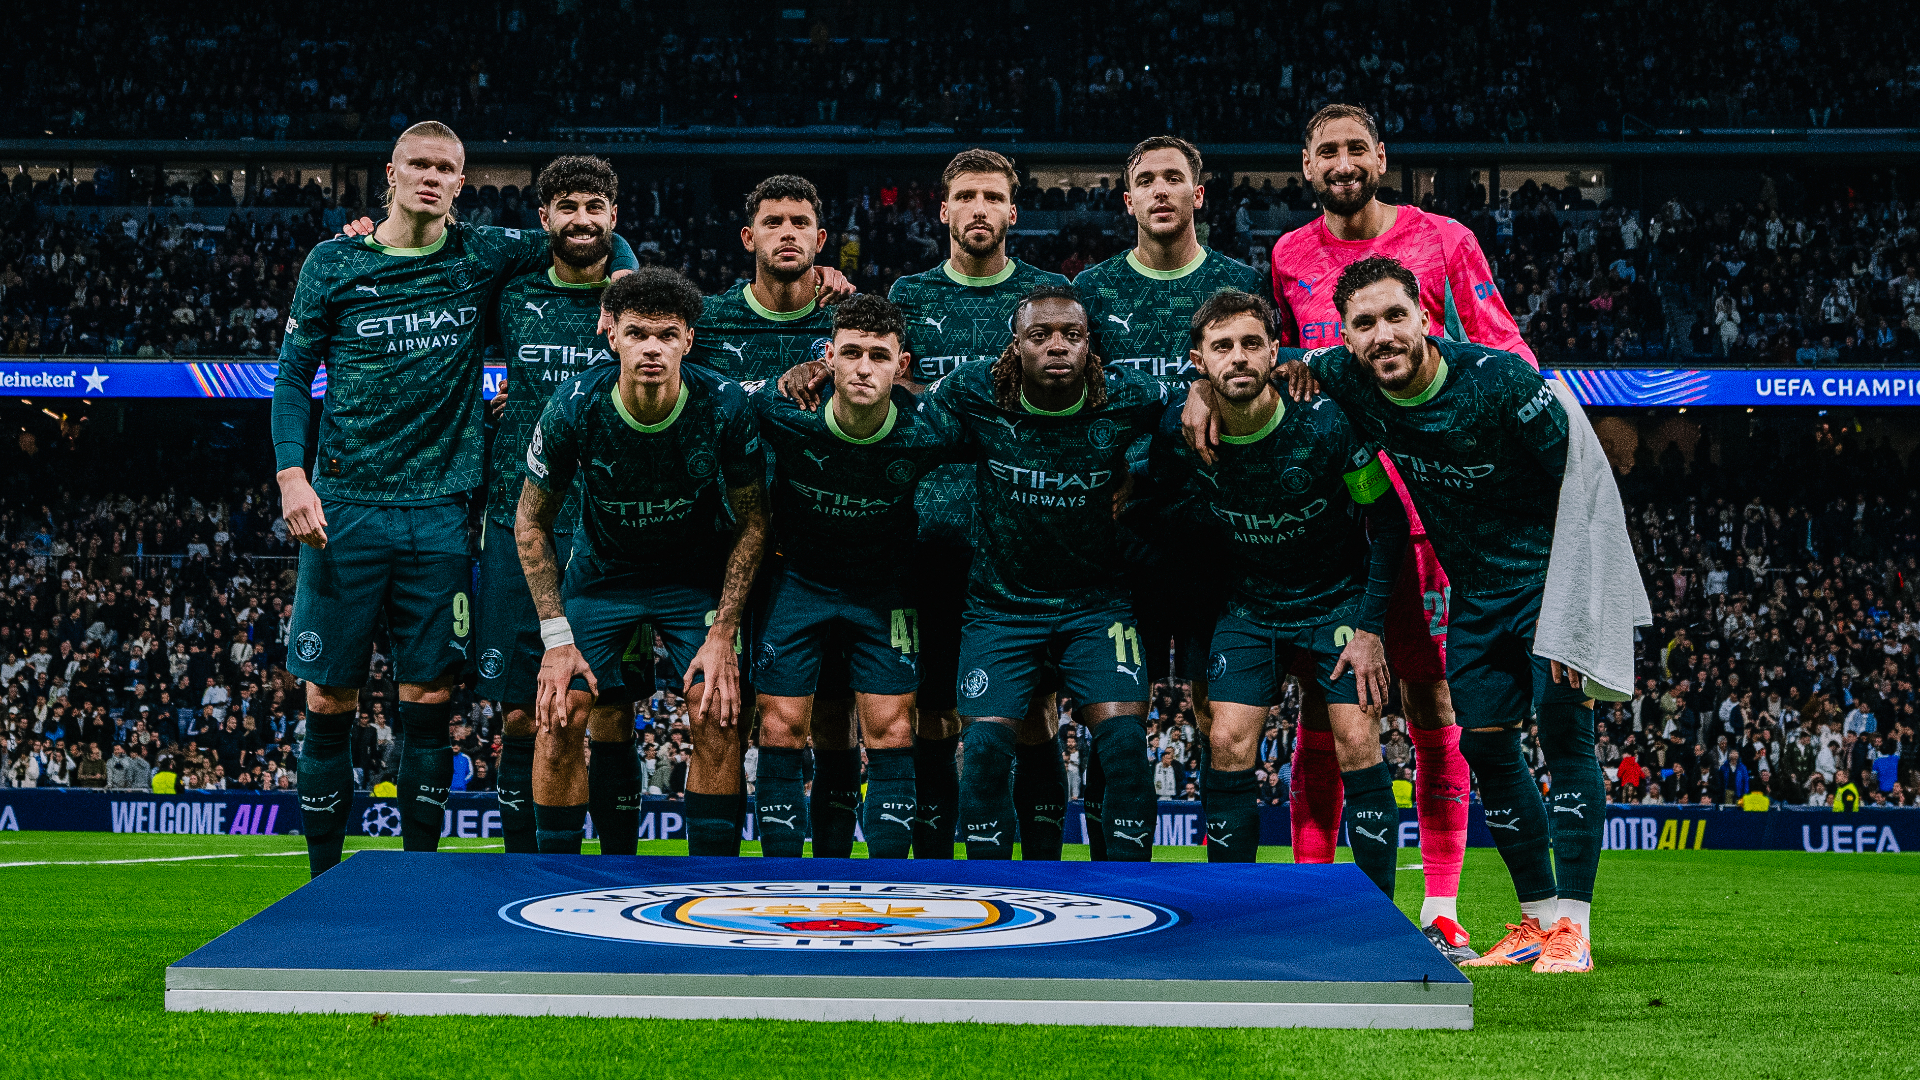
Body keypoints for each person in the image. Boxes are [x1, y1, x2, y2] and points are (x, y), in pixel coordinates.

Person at [1185, 254, 1596, 972]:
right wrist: (1196, 390)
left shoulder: (1501, 381)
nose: (1382, 335)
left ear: (1426, 317)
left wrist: (1577, 608)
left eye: (1395, 316)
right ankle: (1534, 919)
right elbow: (1247, 360)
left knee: (1565, 740)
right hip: (1474, 597)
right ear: (1344, 338)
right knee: (1490, 750)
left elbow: (1581, 487)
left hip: (1546, 587)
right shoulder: (1345, 376)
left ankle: (1575, 926)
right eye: (1364, 324)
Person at [273, 121, 638, 877]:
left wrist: (624, 292)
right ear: (392, 172)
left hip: (444, 510)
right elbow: (290, 373)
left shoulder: (483, 253)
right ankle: (319, 877)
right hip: (342, 504)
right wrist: (290, 475)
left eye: (447, 168)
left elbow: (599, 242)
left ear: (461, 184)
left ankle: (417, 874)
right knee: (328, 698)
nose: (432, 177)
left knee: (429, 695)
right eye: (419, 165)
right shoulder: (335, 260)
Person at [1269, 103, 1528, 945]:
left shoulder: (1444, 241)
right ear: (1305, 167)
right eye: (1325, 152)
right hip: (1334, 518)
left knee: (1431, 697)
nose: (1342, 164)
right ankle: (1312, 900)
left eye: (1355, 148)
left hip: (1434, 515)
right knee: (1324, 701)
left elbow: (1506, 355)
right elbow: (1284, 370)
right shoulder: (1287, 257)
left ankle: (1443, 908)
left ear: (1381, 156)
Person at [1144, 290, 1420, 929]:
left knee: (1357, 737)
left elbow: (1386, 522)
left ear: (1275, 351)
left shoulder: (1325, 424)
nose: (1237, 358)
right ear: (1198, 361)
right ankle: (1231, 909)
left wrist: (1372, 626)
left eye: (1250, 344)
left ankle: (1380, 920)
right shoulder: (1179, 430)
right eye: (1221, 347)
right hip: (1249, 606)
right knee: (1229, 737)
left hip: (1336, 603)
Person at [518, 269, 768, 856]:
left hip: (691, 581)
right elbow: (529, 522)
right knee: (560, 708)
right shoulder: (575, 405)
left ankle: (711, 875)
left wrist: (724, 632)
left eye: (666, 334)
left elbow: (755, 520)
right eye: (636, 334)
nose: (651, 348)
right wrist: (557, 639)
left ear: (688, 340)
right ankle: (558, 876)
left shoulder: (724, 404)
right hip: (602, 578)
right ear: (613, 338)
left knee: (717, 706)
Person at [926, 285, 1172, 861]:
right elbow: (903, 406)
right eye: (1040, 336)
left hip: (1097, 605)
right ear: (1016, 347)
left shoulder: (1132, 397)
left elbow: (1195, 404)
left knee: (1125, 747)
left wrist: (1143, 470)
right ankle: (993, 898)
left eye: (1072, 335)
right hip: (1001, 607)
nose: (1057, 346)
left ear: (1092, 347)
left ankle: (1131, 895)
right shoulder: (974, 390)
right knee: (984, 751)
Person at [1073, 136, 1263, 860]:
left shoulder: (1238, 280)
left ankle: (1227, 890)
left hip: (1220, 533)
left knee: (1224, 715)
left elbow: (1263, 375)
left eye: (1173, 178)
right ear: (1127, 201)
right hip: (1124, 534)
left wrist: (1198, 387)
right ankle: (1117, 881)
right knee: (1116, 712)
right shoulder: (1093, 289)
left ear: (1198, 195)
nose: (1159, 190)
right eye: (1145, 180)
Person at [885, 148, 1070, 861]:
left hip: (1025, 539)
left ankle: (1047, 874)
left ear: (1013, 212)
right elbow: (887, 399)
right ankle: (935, 872)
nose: (979, 209)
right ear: (944, 209)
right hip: (930, 535)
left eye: (993, 197)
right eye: (966, 196)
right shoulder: (911, 295)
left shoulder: (1049, 294)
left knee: (1033, 713)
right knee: (932, 713)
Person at [746, 294, 962, 858]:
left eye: (879, 356)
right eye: (851, 353)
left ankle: (893, 876)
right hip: (798, 584)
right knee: (780, 729)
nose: (864, 367)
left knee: (891, 732)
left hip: (886, 591)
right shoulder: (784, 411)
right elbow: (710, 401)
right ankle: (780, 881)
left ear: (902, 365)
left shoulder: (930, 430)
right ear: (828, 358)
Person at [686, 174, 861, 856]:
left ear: (821, 242)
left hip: (824, 547)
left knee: (834, 714)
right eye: (772, 221)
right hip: (727, 546)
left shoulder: (844, 325)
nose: (785, 232)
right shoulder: (709, 322)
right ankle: (724, 873)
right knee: (724, 712)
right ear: (747, 237)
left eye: (799, 223)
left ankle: (837, 870)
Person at [475, 155, 625, 855]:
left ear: (614, 217)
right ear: (544, 220)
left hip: (609, 529)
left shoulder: (635, 305)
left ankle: (619, 872)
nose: (582, 220)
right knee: (518, 715)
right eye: (567, 207)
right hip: (518, 518)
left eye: (595, 207)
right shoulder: (512, 292)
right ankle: (521, 873)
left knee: (612, 713)